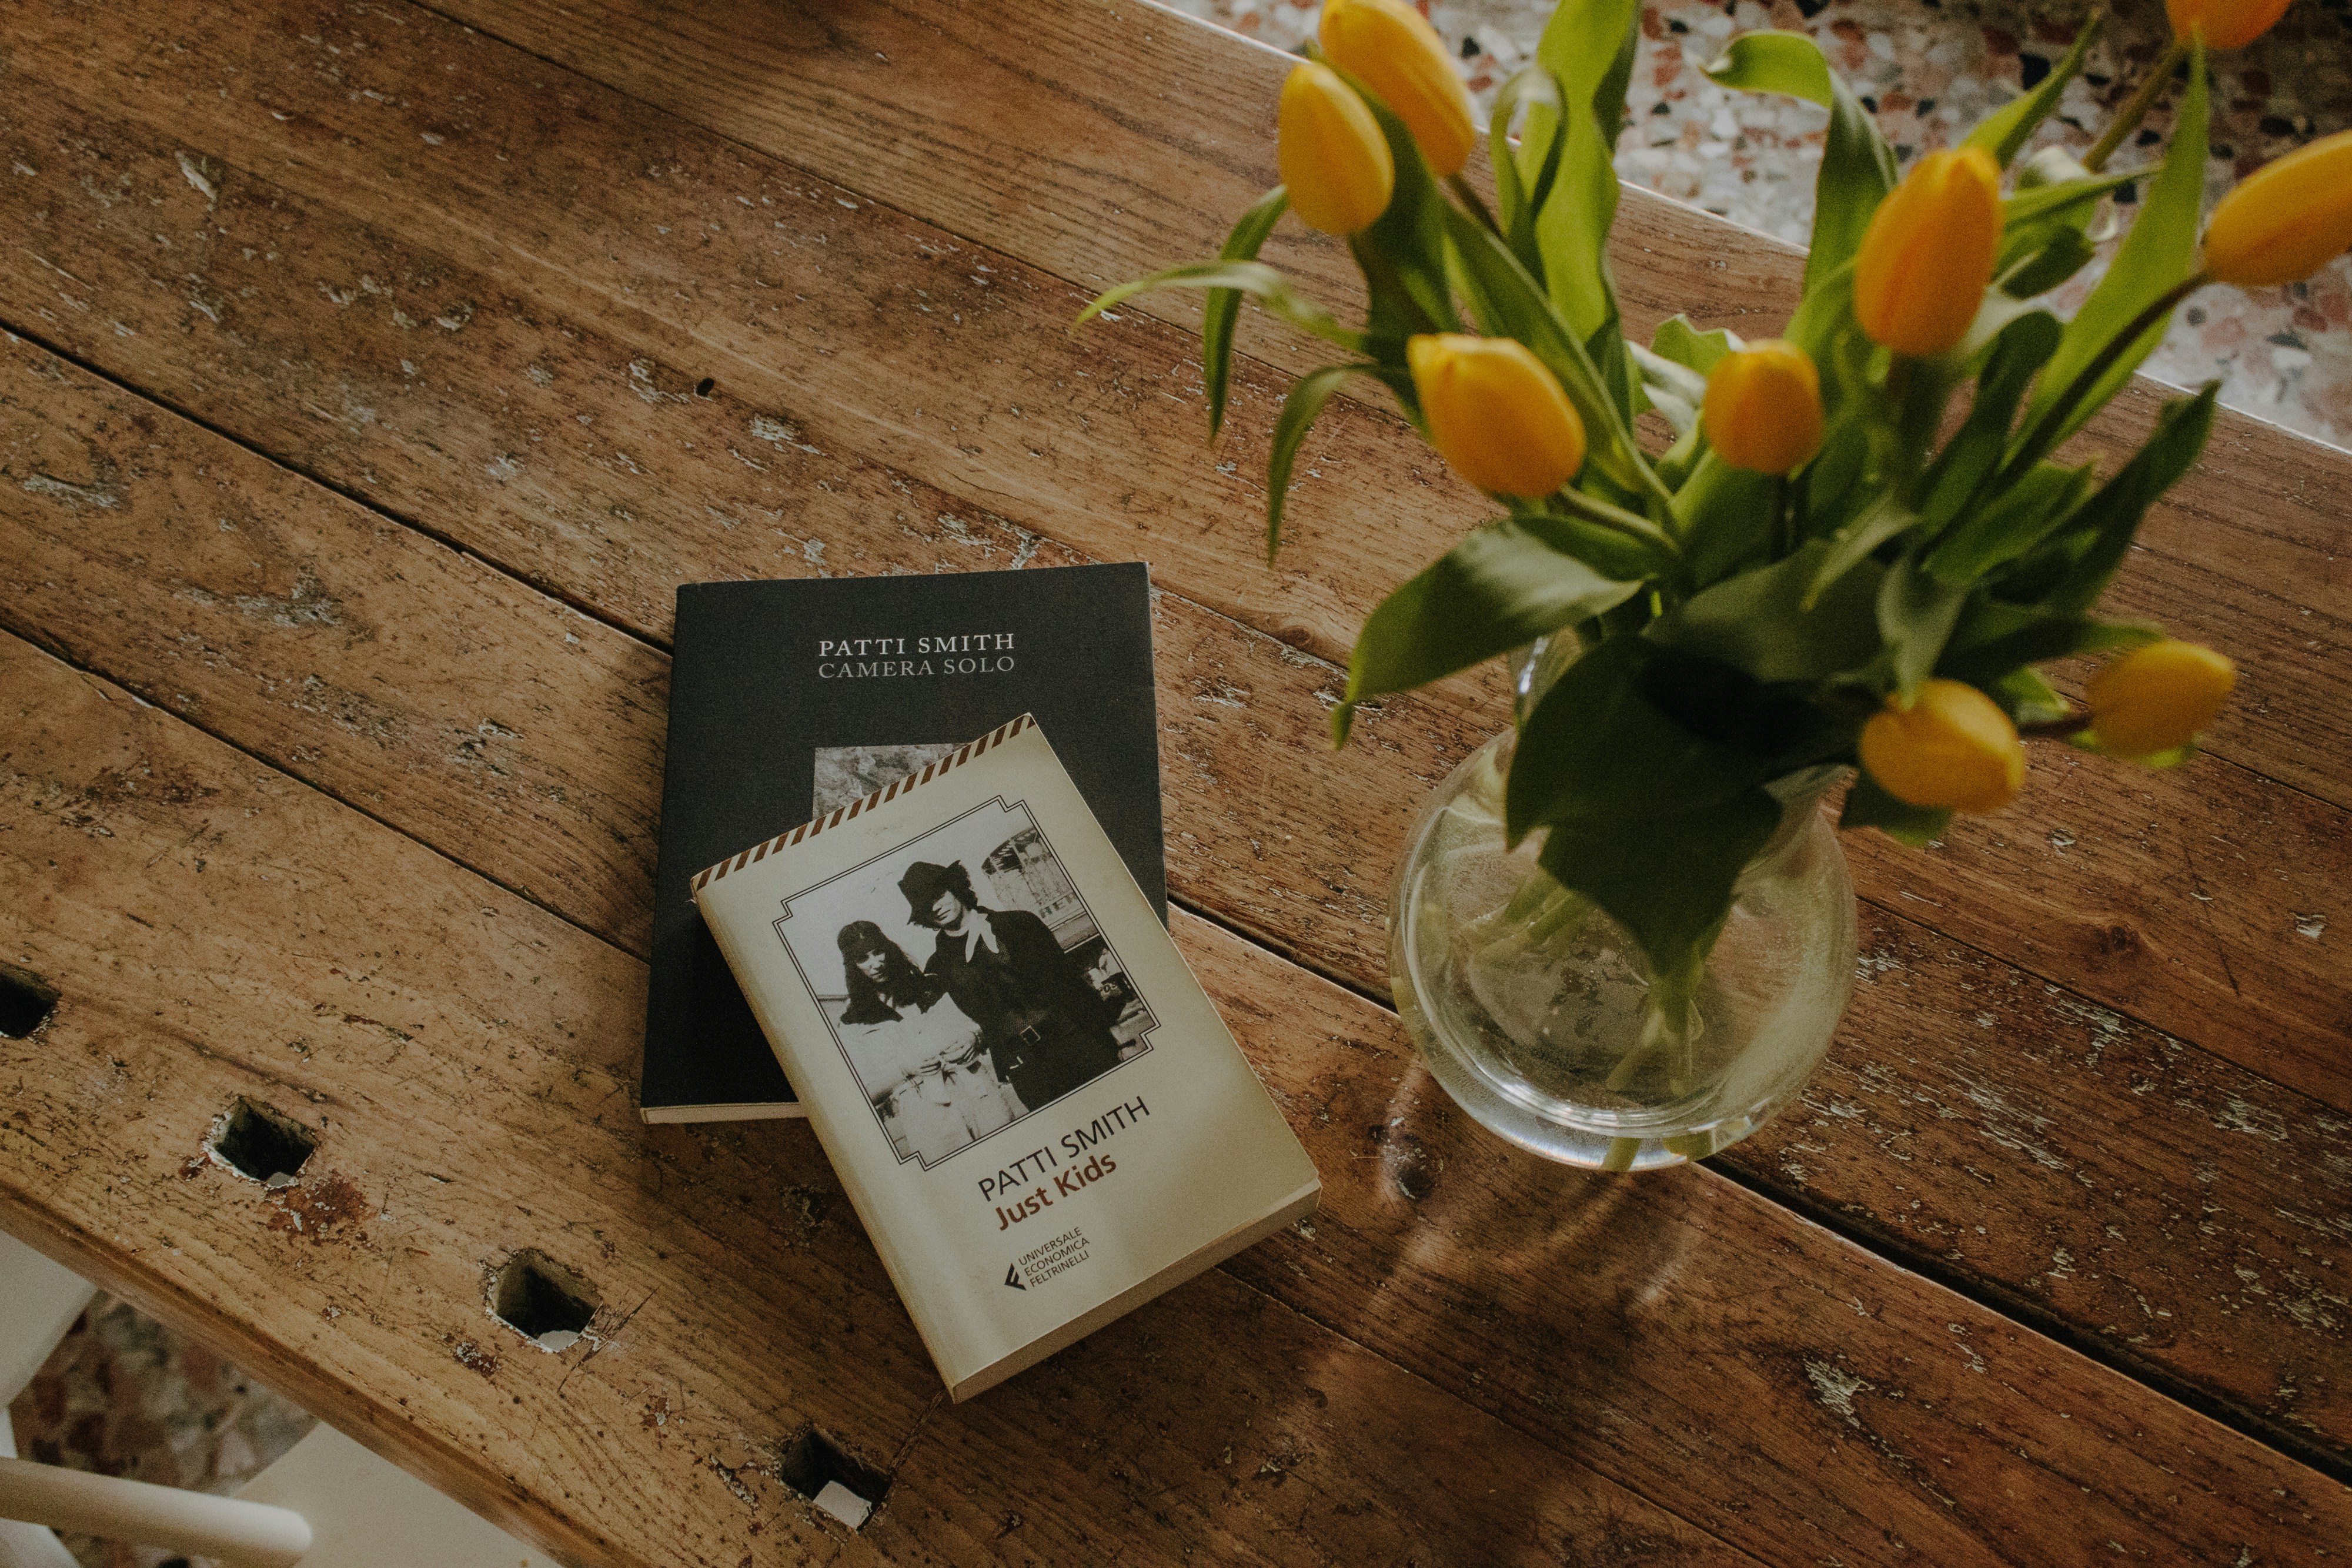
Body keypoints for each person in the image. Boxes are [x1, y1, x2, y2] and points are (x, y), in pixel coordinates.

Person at [899, 860, 1122, 1114]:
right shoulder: (938, 966)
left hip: (1076, 1041)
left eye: (938, 896)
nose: (936, 907)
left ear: (954, 887)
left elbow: (1069, 984)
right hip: (1027, 1068)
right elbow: (959, 1023)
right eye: (926, 906)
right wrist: (974, 1037)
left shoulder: (1019, 924)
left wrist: (1106, 1036)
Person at [835, 921, 1023, 1162]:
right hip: (927, 1119)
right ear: (853, 966)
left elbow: (986, 1022)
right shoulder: (852, 1023)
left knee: (1012, 1155)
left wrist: (974, 1037)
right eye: (863, 958)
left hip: (979, 1095)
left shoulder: (932, 985)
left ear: (889, 949)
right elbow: (864, 1092)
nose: (876, 962)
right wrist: (905, 1070)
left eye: (878, 951)